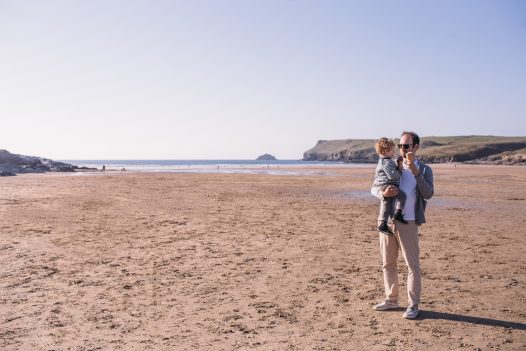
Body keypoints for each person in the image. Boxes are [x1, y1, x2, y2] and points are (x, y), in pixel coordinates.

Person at [370, 131, 434, 319]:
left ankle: (413, 305)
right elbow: (373, 187)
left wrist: (415, 171)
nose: (402, 149)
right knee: (388, 263)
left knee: (412, 266)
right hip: (389, 222)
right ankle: (391, 299)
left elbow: (428, 193)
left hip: (409, 222)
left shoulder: (424, 169)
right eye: (400, 146)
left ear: (415, 147)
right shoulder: (391, 164)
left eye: (406, 146)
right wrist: (383, 194)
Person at [372, 137, 407, 235]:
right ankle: (397, 214)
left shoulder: (384, 161)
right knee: (401, 196)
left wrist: (396, 165)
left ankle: (385, 222)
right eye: (393, 150)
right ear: (386, 151)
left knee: (387, 203)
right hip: (386, 185)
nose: (394, 152)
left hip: (384, 184)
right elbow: (393, 176)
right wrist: (399, 167)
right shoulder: (387, 162)